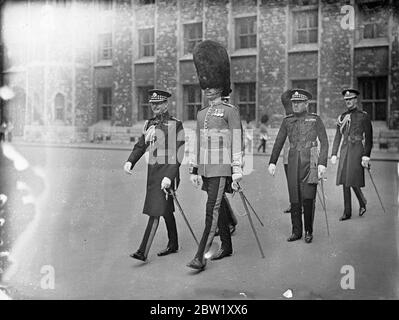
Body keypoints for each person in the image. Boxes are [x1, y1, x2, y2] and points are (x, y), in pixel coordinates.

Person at [187, 40, 243, 270]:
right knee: (216, 208)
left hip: (221, 168)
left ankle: (200, 256)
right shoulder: (202, 114)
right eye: (206, 84)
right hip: (207, 168)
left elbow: (237, 141)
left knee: (211, 210)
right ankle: (226, 246)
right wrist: (194, 168)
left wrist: (238, 169)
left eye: (213, 84)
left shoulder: (230, 112)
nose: (209, 88)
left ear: (222, 85)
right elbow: (198, 143)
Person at [124, 89, 185, 261]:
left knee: (155, 211)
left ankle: (143, 251)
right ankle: (173, 244)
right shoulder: (149, 124)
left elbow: (178, 154)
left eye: (158, 104)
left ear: (166, 104)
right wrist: (131, 161)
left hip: (167, 173)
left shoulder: (175, 124)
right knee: (165, 210)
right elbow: (141, 145)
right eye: (152, 104)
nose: (155, 107)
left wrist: (169, 177)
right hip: (153, 173)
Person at [268, 89, 329, 243]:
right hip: (293, 159)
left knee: (308, 197)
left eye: (299, 102)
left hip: (311, 160)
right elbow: (279, 142)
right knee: (294, 196)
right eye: (293, 103)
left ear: (306, 103)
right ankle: (296, 231)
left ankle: (308, 230)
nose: (295, 105)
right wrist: (272, 162)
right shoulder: (287, 121)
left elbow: (325, 142)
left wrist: (322, 164)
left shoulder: (315, 120)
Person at [331, 89, 373, 221]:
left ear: (356, 100)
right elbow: (338, 136)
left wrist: (366, 155)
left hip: (357, 150)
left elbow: (369, 138)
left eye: (351, 99)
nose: (348, 102)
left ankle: (362, 202)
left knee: (352, 179)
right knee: (345, 180)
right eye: (346, 100)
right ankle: (347, 212)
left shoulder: (363, 116)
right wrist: (333, 153)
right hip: (345, 150)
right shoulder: (342, 117)